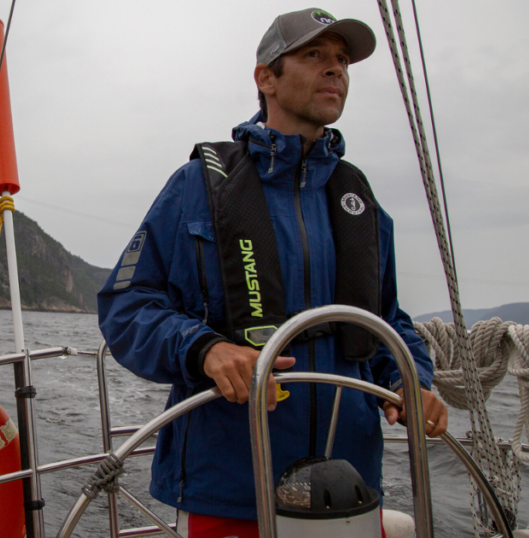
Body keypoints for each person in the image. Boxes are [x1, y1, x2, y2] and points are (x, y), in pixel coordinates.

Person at [97, 6, 449, 536]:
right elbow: (127, 306)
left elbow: (388, 322)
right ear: (266, 78)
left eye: (342, 60)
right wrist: (207, 349)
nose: (336, 70)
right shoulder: (199, 185)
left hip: (348, 485)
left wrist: (410, 380)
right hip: (229, 487)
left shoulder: (359, 202)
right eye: (314, 56)